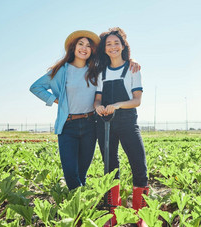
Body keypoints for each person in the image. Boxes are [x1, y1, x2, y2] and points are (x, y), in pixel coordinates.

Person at [29, 30, 140, 191]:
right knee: (70, 173)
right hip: (68, 126)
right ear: (73, 47)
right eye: (80, 44)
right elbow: (36, 87)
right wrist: (59, 101)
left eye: (88, 45)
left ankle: (81, 209)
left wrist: (132, 60)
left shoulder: (96, 70)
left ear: (92, 51)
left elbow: (115, 62)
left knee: (82, 173)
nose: (84, 48)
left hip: (90, 125)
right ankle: (79, 202)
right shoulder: (62, 70)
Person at [94, 27, 148, 227]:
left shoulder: (132, 69)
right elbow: (97, 100)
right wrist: (98, 107)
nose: (113, 46)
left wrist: (117, 105)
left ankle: (140, 216)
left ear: (123, 45)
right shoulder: (101, 72)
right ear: (105, 49)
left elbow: (136, 100)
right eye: (109, 44)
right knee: (110, 169)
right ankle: (112, 215)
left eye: (116, 43)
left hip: (127, 122)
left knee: (139, 166)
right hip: (105, 124)